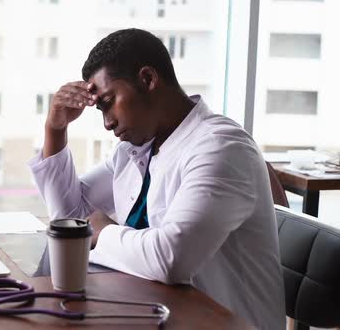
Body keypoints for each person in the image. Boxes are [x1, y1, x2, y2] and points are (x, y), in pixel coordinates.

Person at [28, 28, 285, 329]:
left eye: (108, 102)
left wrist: (103, 232)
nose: (108, 123)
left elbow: (171, 258)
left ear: (148, 79)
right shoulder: (136, 150)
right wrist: (55, 129)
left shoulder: (221, 148)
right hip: (160, 311)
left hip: (223, 322)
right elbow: (72, 219)